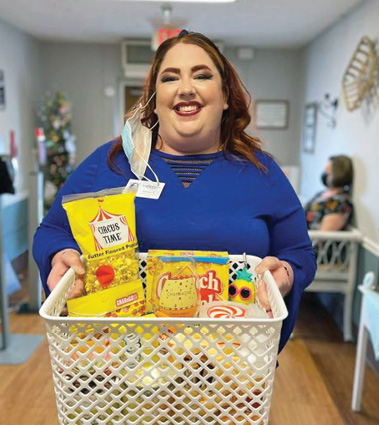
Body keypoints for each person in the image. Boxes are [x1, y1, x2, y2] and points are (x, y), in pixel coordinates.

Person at [33, 30, 316, 352]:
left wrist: (287, 274)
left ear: (225, 96)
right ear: (154, 98)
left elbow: (299, 253)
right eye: (170, 78)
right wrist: (60, 256)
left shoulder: (261, 171)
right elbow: (52, 230)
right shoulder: (110, 163)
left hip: (231, 370)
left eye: (202, 75)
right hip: (122, 367)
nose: (185, 89)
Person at [304, 155, 354, 231]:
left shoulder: (341, 202)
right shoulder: (320, 194)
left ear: (339, 174)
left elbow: (323, 236)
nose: (325, 174)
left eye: (328, 171)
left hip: (312, 240)